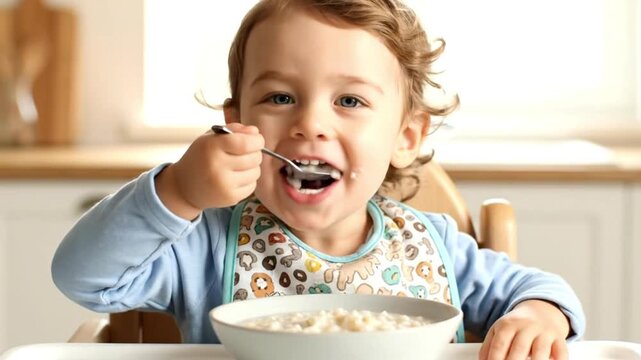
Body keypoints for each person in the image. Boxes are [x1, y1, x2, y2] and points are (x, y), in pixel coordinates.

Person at [52, 0, 585, 359]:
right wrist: (177, 191)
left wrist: (539, 315)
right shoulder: (204, 246)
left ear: (406, 136)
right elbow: (82, 276)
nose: (310, 124)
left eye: (349, 101)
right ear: (236, 121)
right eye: (280, 98)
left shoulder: (435, 244)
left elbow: (538, 290)